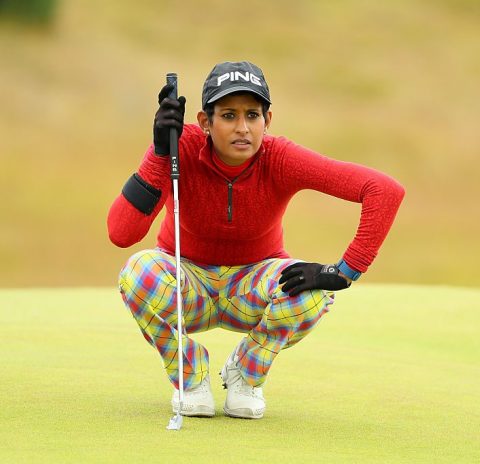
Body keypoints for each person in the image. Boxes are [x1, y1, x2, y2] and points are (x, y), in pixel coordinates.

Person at [107, 61, 405, 420]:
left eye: (253, 115)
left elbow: (383, 190)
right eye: (228, 115)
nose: (243, 128)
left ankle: (245, 373)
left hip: (252, 286)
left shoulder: (280, 157)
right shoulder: (176, 147)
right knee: (137, 273)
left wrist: (345, 271)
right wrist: (158, 154)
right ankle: (190, 376)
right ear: (204, 122)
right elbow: (121, 233)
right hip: (187, 283)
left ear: (268, 120)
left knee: (312, 291)